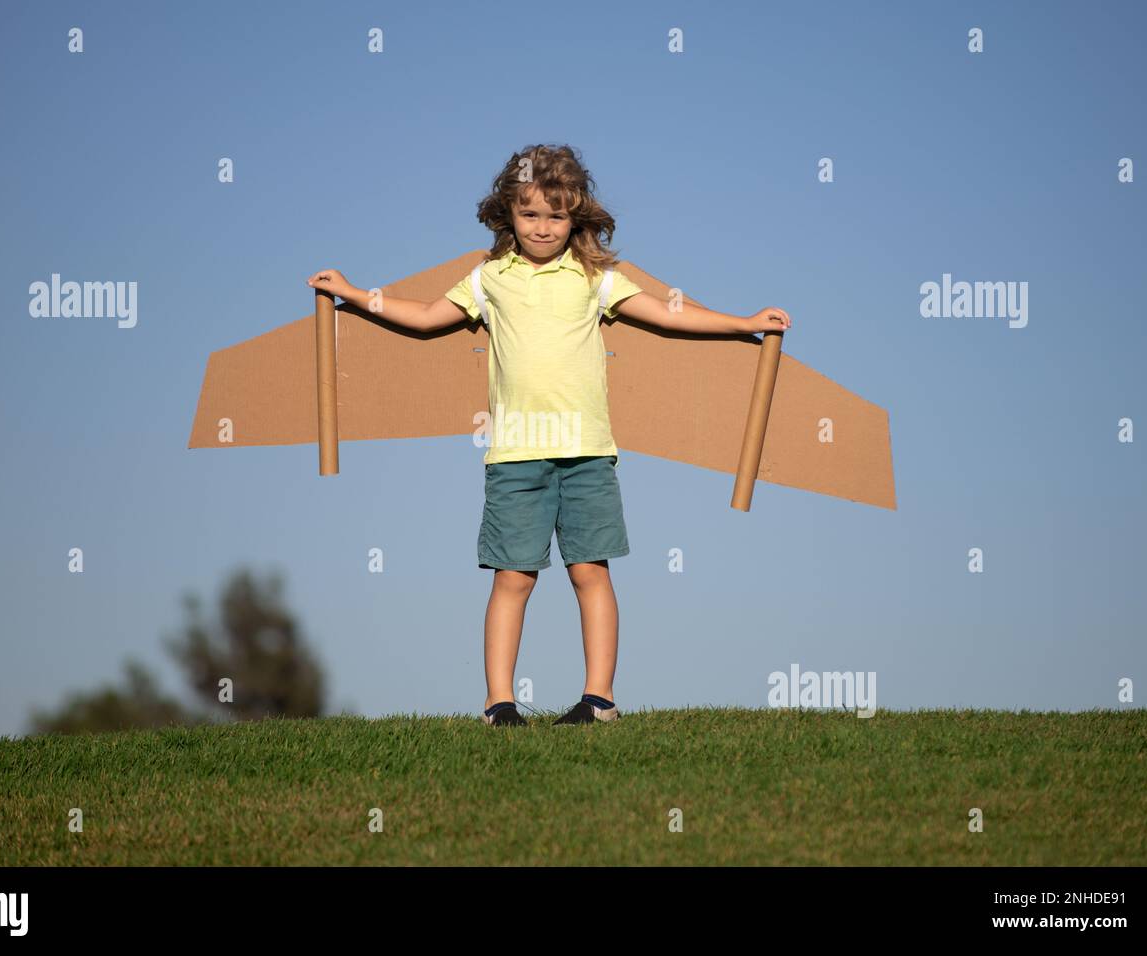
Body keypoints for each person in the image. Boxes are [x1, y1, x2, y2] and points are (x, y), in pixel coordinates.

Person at [307, 144, 791, 728]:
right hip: (515, 456)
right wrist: (357, 294)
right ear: (507, 212)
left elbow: (667, 313)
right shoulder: (490, 280)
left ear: (576, 219)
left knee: (591, 571)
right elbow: (429, 315)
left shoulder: (595, 278)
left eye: (556, 216)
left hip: (587, 455)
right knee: (513, 578)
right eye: (530, 213)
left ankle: (599, 700)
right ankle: (498, 704)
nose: (543, 227)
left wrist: (742, 323)